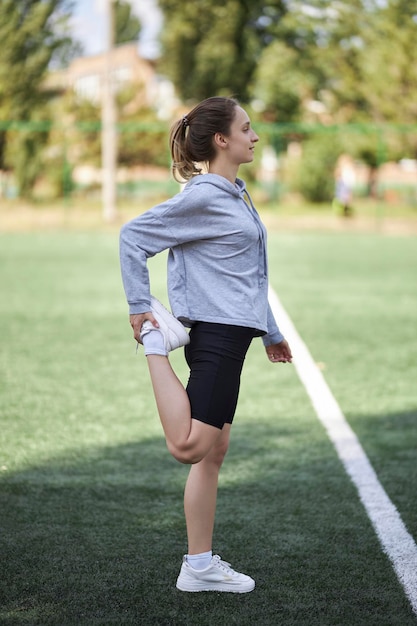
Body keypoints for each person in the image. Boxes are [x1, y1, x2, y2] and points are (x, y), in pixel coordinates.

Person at [119, 96, 292, 593]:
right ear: (222, 139)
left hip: (234, 331)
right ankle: (156, 340)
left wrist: (272, 331)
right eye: (246, 127)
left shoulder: (236, 193)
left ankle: (199, 566)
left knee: (215, 450)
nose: (254, 136)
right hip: (215, 332)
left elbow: (250, 276)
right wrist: (140, 307)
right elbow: (133, 236)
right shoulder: (203, 195)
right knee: (190, 445)